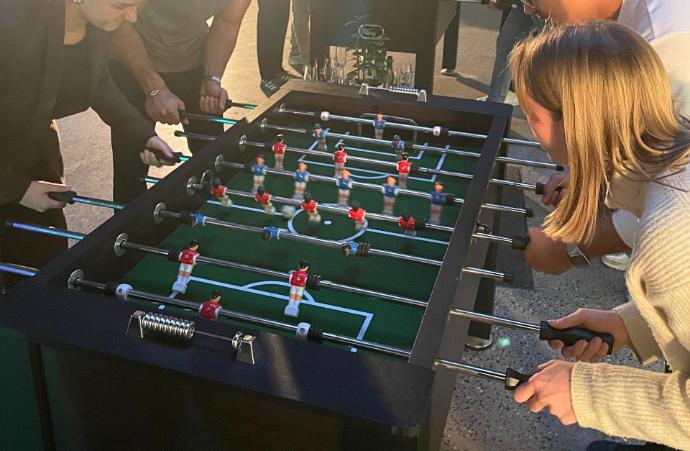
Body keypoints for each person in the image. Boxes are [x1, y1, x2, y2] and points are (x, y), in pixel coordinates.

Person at [509, 22, 690, 449]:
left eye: (531, 115)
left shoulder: (670, 229)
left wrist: (585, 392)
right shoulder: (671, 169)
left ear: (577, 123)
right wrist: (631, 325)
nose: (529, 126)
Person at [0, 0, 175, 288]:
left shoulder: (97, 24)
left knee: (43, 275)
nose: (132, 17)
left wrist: (142, 135)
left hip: (32, 156)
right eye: (121, 5)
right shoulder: (11, 20)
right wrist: (15, 189)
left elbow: (97, 83)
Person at [522, 0, 690, 273]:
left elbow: (673, 206)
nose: (528, 9)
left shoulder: (672, 44)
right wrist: (593, 170)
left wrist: (571, 249)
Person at [109, 0, 250, 204]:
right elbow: (118, 21)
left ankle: (211, 216)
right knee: (131, 163)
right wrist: (154, 87)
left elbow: (227, 22)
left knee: (212, 158)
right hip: (131, 60)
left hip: (193, 59)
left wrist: (212, 78)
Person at [480, 1, 543, 104]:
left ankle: (563, 107)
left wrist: (499, 3)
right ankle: (494, 104)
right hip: (525, 4)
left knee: (556, 53)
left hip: (555, 7)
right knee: (507, 44)